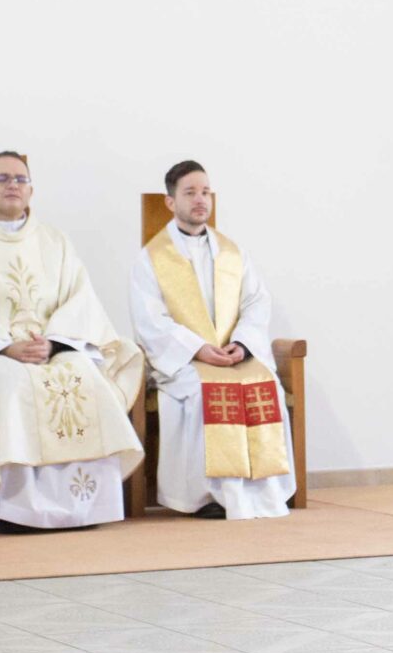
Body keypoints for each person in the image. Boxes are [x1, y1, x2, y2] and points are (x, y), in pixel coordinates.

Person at [0, 152, 144, 532]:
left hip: (51, 348)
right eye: (2, 178)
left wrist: (55, 344)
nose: (13, 185)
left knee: (86, 377)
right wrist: (5, 348)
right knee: (14, 384)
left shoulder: (55, 242)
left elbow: (80, 301)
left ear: (31, 190)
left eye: (21, 179)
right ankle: (14, 509)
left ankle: (83, 506)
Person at [125, 161, 294, 520]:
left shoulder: (232, 253)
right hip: (186, 360)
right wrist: (198, 349)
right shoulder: (151, 258)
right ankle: (208, 496)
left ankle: (263, 490)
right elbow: (150, 320)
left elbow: (256, 302)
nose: (200, 200)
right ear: (170, 202)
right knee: (205, 392)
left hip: (234, 356)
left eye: (205, 192)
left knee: (267, 386)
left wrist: (243, 344)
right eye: (190, 193)